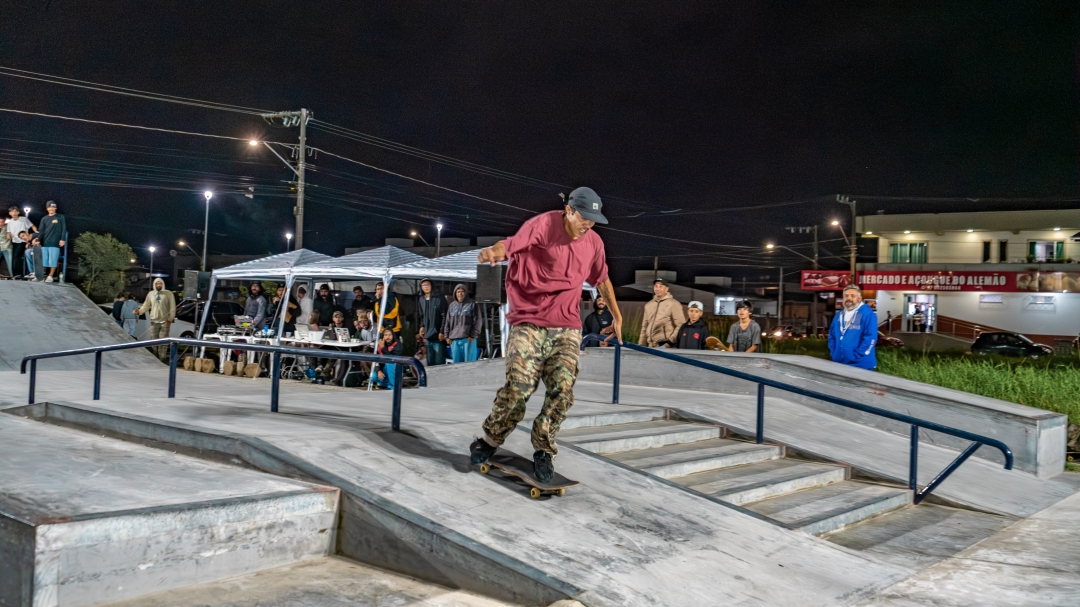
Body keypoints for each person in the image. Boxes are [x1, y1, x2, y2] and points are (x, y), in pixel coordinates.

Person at [469, 186, 622, 483]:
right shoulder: (543, 225)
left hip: (567, 325)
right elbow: (510, 245)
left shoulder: (594, 243)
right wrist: (493, 252)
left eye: (593, 221)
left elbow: (602, 279)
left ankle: (543, 448)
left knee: (562, 390)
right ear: (569, 210)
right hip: (529, 320)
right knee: (519, 387)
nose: (588, 225)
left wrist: (616, 315)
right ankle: (490, 439)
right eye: (583, 218)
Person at [828, 285, 878, 370]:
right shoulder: (839, 315)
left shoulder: (867, 314)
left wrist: (857, 356)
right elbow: (832, 335)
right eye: (846, 296)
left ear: (859, 298)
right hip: (839, 363)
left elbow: (871, 337)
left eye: (852, 296)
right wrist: (834, 352)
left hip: (861, 364)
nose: (849, 298)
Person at [136, 278, 176, 360]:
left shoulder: (168, 294)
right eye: (157, 283)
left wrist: (170, 319)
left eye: (160, 283)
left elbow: (172, 307)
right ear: (154, 285)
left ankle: (162, 358)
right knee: (154, 341)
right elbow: (146, 305)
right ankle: (155, 358)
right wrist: (139, 311)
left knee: (163, 341)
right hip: (154, 321)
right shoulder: (151, 294)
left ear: (162, 284)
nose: (158, 285)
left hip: (165, 321)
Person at [639, 278, 685, 348]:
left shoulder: (674, 304)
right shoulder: (648, 305)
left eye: (661, 286)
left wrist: (670, 343)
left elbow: (681, 325)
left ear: (666, 289)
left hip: (665, 346)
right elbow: (644, 327)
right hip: (651, 346)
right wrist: (640, 345)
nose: (657, 289)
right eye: (656, 286)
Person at [443, 283, 480, 363]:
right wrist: (446, 336)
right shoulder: (452, 306)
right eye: (458, 292)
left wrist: (473, 335)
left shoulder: (472, 304)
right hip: (454, 340)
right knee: (457, 366)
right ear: (455, 293)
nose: (460, 294)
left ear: (465, 292)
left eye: (462, 291)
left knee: (469, 365)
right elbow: (447, 322)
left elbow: (478, 321)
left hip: (468, 339)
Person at [416, 278, 449, 366]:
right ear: (421, 287)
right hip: (428, 337)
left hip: (438, 337)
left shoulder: (439, 298)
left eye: (428, 284)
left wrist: (442, 331)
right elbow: (421, 316)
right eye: (424, 285)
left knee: (439, 363)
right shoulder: (421, 299)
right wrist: (422, 326)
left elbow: (445, 316)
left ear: (432, 286)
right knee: (430, 363)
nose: (426, 287)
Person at [38, 201, 66, 282]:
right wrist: (38, 240)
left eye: (53, 207)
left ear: (55, 208)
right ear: (47, 208)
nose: (52, 209)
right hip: (45, 243)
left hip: (55, 243)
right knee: (44, 260)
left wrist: (62, 239)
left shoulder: (60, 217)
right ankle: (41, 275)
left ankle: (50, 276)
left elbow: (64, 229)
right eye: (50, 207)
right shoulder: (44, 219)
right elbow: (41, 231)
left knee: (53, 260)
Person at [5, 207, 35, 279]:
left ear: (18, 212)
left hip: (23, 241)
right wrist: (8, 236)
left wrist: (36, 233)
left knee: (17, 255)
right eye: (12, 211)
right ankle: (14, 274)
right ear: (9, 213)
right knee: (14, 257)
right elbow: (9, 232)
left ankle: (18, 273)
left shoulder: (23, 219)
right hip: (14, 242)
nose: (14, 213)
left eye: (15, 211)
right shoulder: (10, 222)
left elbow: (32, 226)